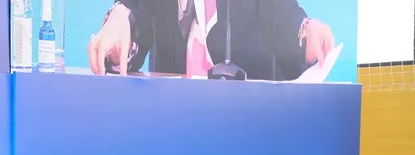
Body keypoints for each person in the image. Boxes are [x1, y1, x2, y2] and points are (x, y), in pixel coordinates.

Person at [88, 0, 335, 81]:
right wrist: (120, 18)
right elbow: (133, 18)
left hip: (250, 120)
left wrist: (308, 33)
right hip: (173, 118)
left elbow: (288, 26)